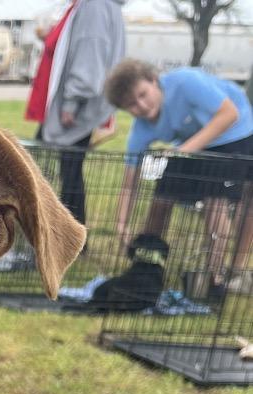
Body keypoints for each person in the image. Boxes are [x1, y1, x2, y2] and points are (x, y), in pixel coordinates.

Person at [106, 59, 253, 295]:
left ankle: (217, 277)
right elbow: (129, 181)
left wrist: (185, 150)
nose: (141, 106)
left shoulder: (187, 81)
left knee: (215, 204)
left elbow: (229, 114)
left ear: (155, 81)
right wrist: (122, 225)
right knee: (162, 197)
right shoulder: (142, 129)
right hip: (190, 143)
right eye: (131, 105)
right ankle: (147, 263)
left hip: (234, 132)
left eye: (143, 95)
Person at [28, 0, 125, 227]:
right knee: (65, 170)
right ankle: (62, 232)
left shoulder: (95, 6)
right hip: (79, 105)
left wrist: (71, 103)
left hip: (76, 109)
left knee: (51, 171)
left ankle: (60, 234)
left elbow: (89, 56)